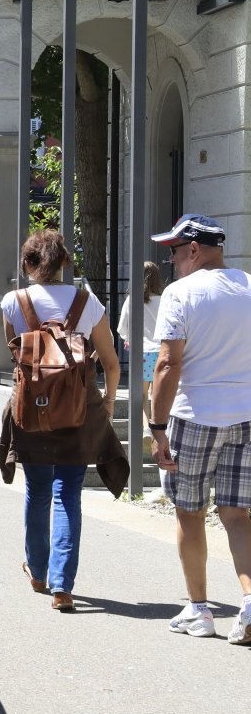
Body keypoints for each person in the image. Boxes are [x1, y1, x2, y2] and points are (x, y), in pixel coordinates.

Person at [0, 230, 126, 613]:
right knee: (67, 494)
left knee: (37, 491)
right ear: (65, 262)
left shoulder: (14, 302)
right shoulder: (87, 303)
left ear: (27, 263)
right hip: (77, 411)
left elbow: (16, 357)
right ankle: (62, 587)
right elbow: (111, 363)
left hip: (32, 411)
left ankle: (37, 572)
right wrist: (108, 402)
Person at [147, 214, 251, 643]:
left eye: (173, 251)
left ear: (193, 249)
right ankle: (250, 601)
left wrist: (157, 427)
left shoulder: (180, 293)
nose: (171, 260)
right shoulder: (248, 285)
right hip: (246, 415)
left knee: (189, 512)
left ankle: (199, 610)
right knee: (237, 515)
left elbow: (168, 364)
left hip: (195, 416)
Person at [117, 260, 164, 407]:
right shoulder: (164, 300)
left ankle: (144, 422)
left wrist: (127, 338)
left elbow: (121, 328)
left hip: (141, 352)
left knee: (141, 395)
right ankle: (157, 420)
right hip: (162, 351)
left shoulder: (131, 300)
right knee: (157, 394)